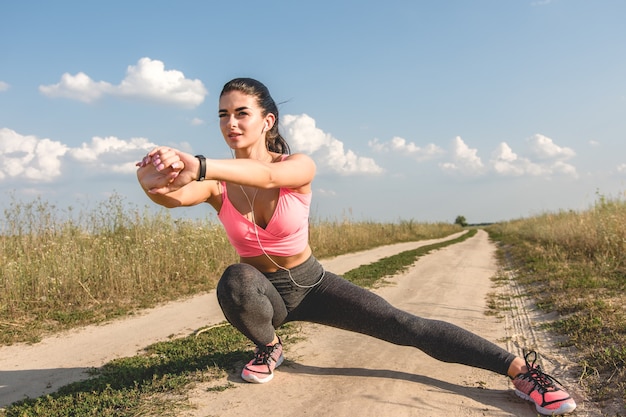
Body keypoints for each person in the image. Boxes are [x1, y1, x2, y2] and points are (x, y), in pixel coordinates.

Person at [136, 77, 577, 415]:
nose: (230, 123)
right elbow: (174, 196)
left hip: (312, 284)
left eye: (241, 113)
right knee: (236, 279)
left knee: (406, 326)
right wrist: (150, 184)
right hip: (261, 290)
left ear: (267, 120)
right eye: (222, 115)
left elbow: (269, 177)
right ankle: (269, 348)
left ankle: (522, 373)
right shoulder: (216, 183)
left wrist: (199, 164)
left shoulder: (297, 165)